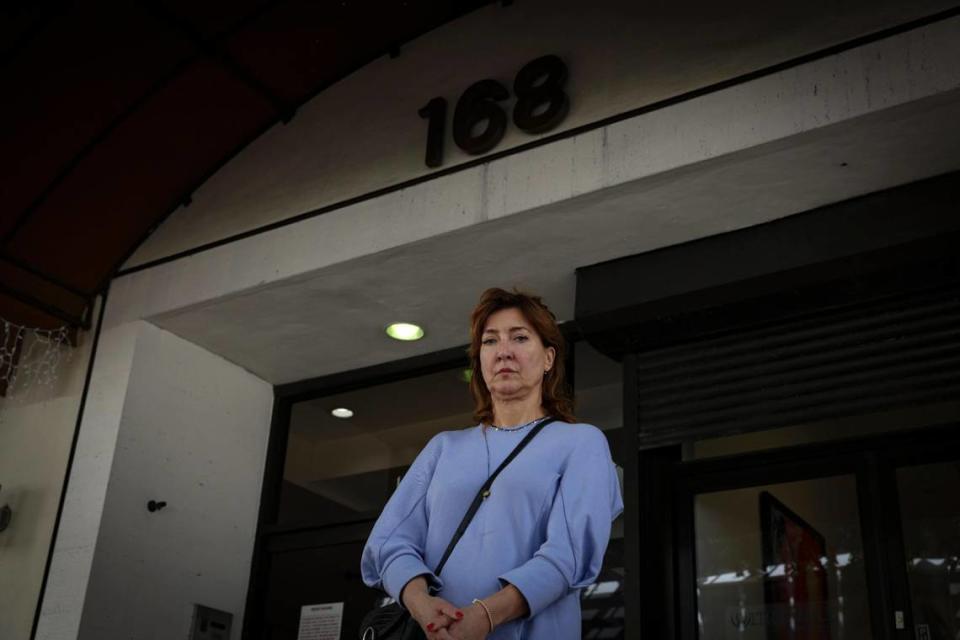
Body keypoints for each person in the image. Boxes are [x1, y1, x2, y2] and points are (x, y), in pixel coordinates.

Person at [361, 288, 623, 640]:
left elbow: (571, 554)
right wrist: (422, 604)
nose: (504, 352)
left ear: (548, 358)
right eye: (490, 341)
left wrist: (485, 616)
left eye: (519, 337)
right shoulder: (443, 448)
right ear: (480, 360)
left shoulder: (580, 442)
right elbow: (389, 543)